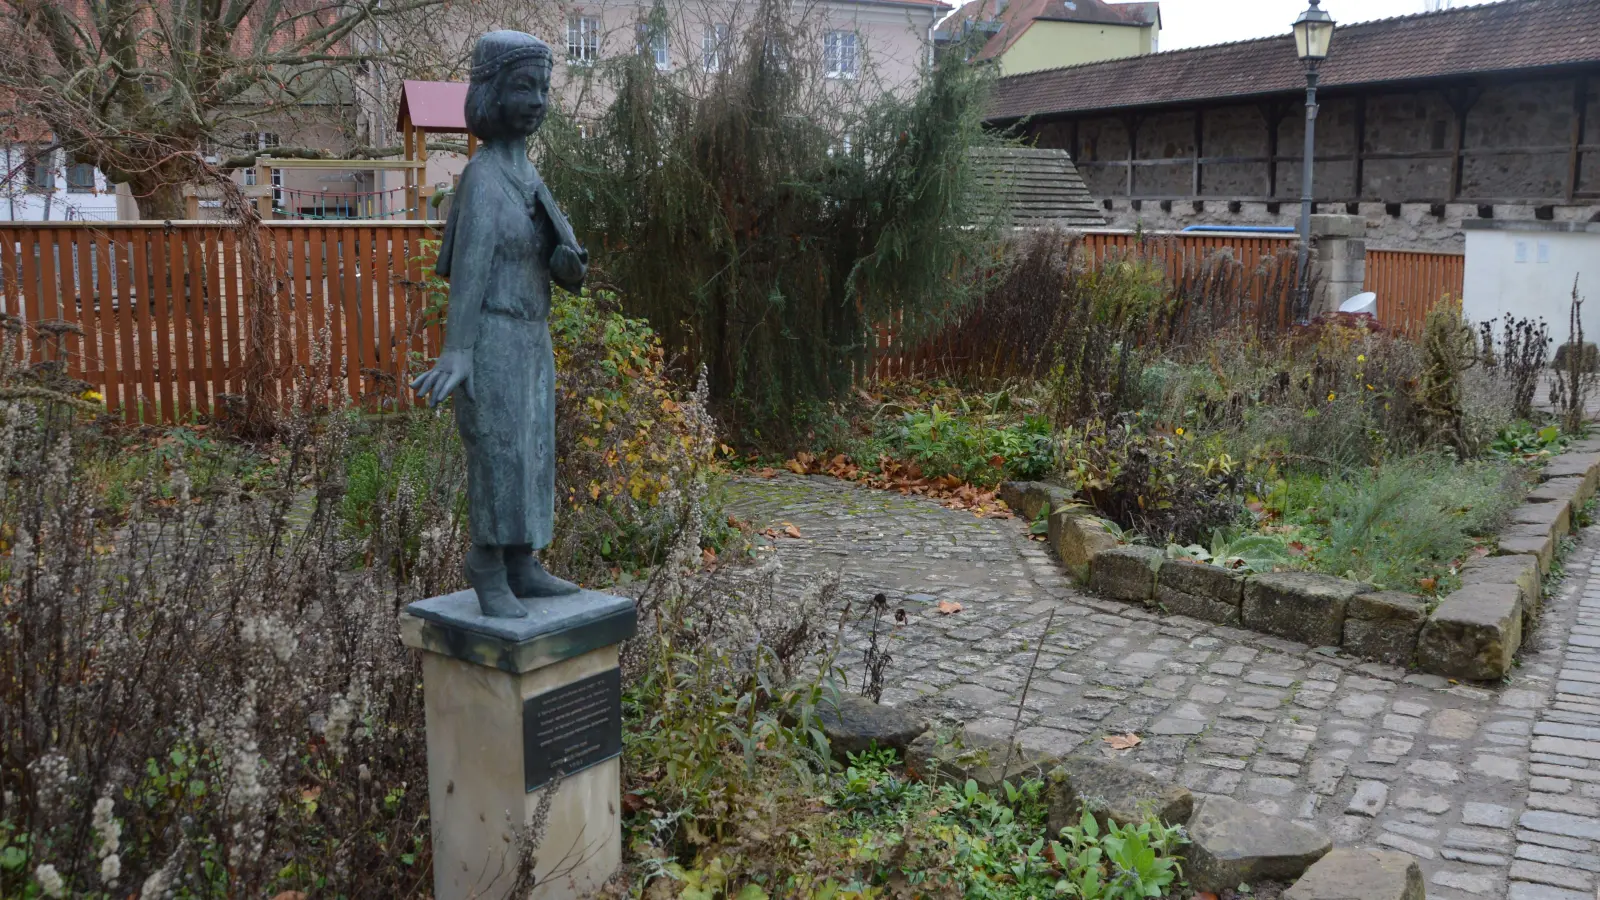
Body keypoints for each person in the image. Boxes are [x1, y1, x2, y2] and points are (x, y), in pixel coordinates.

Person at [410, 30, 588, 618]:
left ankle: (523, 563)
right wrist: (456, 350)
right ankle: (486, 566)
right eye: (521, 87)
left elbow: (566, 270)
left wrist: (566, 263)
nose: (536, 99)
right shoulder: (484, 178)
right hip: (491, 337)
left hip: (531, 339)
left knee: (534, 452)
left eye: (542, 87)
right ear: (490, 93)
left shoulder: (531, 176)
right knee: (499, 454)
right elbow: (470, 272)